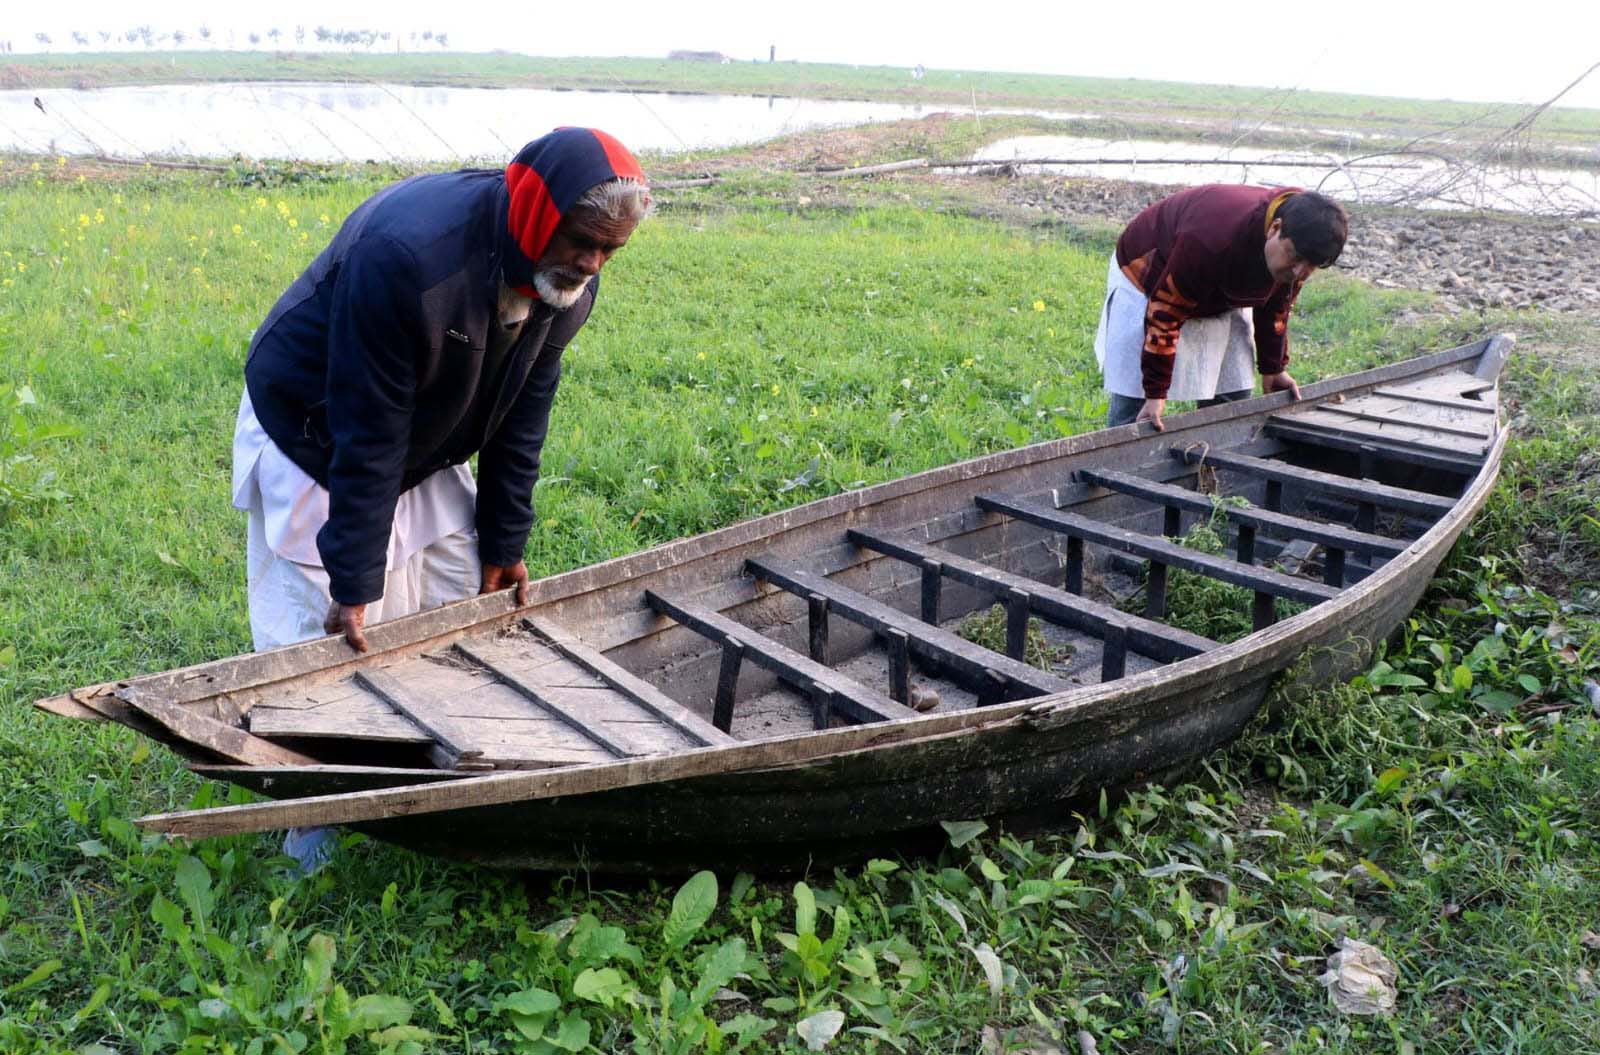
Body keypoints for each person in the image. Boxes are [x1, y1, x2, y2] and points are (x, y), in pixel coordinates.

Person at [232, 127, 650, 656]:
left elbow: (521, 414)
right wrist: (355, 578)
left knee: (454, 593)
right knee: (324, 635)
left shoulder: (569, 283)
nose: (592, 264)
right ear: (538, 215)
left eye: (611, 249)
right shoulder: (410, 258)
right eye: (582, 241)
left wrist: (505, 539)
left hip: (428, 430)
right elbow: (369, 426)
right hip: (317, 424)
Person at [1094, 184, 1347, 431]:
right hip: (1149, 271)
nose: (1299, 271)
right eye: (1295, 257)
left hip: (1223, 276)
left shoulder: (1304, 234)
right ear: (1275, 228)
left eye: (1312, 266)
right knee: (1136, 403)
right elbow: (1165, 314)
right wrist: (1155, 392)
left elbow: (1277, 306)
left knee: (1230, 392)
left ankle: (1214, 460)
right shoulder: (1209, 237)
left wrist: (1273, 368)